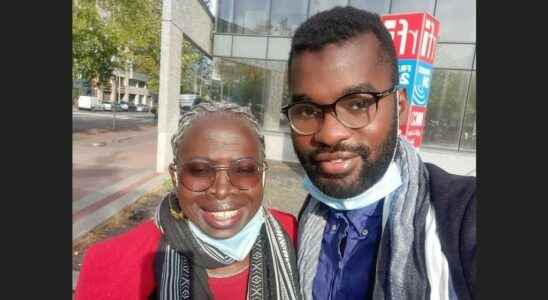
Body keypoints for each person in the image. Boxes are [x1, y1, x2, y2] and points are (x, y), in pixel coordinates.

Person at [284, 6, 476, 300]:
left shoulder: (461, 216)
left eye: (358, 104)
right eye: (308, 110)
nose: (328, 134)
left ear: (399, 107)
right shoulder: (311, 216)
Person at [75, 101, 301, 300]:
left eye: (243, 169)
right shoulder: (111, 264)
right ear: (174, 176)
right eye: (199, 170)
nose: (221, 191)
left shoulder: (293, 234)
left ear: (262, 175)